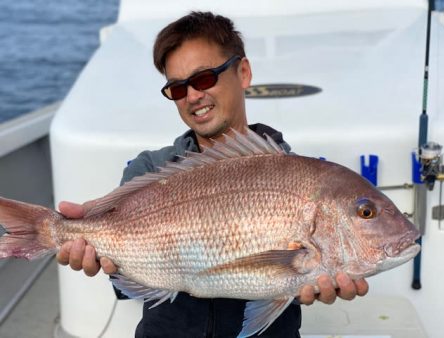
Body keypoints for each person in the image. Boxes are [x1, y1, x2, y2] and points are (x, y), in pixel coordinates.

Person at [57, 11, 368, 338]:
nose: (193, 96)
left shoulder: (293, 174)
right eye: (178, 88)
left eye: (204, 78)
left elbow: (288, 280)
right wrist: (96, 252)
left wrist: (314, 283)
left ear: (243, 72)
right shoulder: (150, 170)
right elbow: (126, 286)